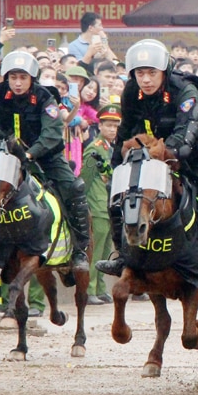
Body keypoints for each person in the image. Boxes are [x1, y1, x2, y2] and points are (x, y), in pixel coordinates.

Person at [93, 39, 198, 287]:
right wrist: (116, 168)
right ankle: (123, 256)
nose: (146, 79)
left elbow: (185, 136)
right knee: (116, 194)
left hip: (193, 155)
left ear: (164, 71)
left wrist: (163, 154)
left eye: (152, 73)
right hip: (150, 156)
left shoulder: (186, 90)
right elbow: (125, 131)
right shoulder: (131, 92)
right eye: (140, 73)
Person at [0, 51, 91, 274]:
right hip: (7, 157)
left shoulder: (45, 97)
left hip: (44, 156)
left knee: (74, 188)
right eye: (13, 77)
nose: (17, 83)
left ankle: (80, 250)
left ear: (32, 78)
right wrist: (3, 143)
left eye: (23, 78)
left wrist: (29, 155)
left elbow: (51, 133)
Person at [81, 102, 121, 304]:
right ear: (100, 126)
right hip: (97, 204)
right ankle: (89, 289)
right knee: (96, 249)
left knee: (106, 250)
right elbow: (86, 179)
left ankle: (100, 287)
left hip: (109, 205)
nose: (112, 130)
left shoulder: (110, 148)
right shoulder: (94, 149)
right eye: (108, 125)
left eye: (115, 126)